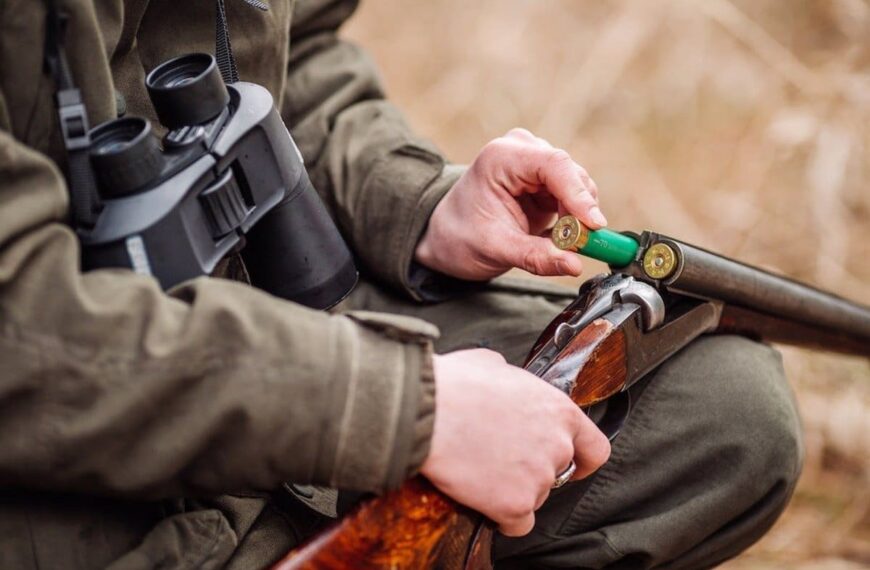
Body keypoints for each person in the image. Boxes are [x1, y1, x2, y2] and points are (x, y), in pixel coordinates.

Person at [0, 1, 803, 568]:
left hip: (272, 321)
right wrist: (400, 408)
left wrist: (418, 204)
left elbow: (296, 61)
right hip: (80, 471)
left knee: (725, 415)